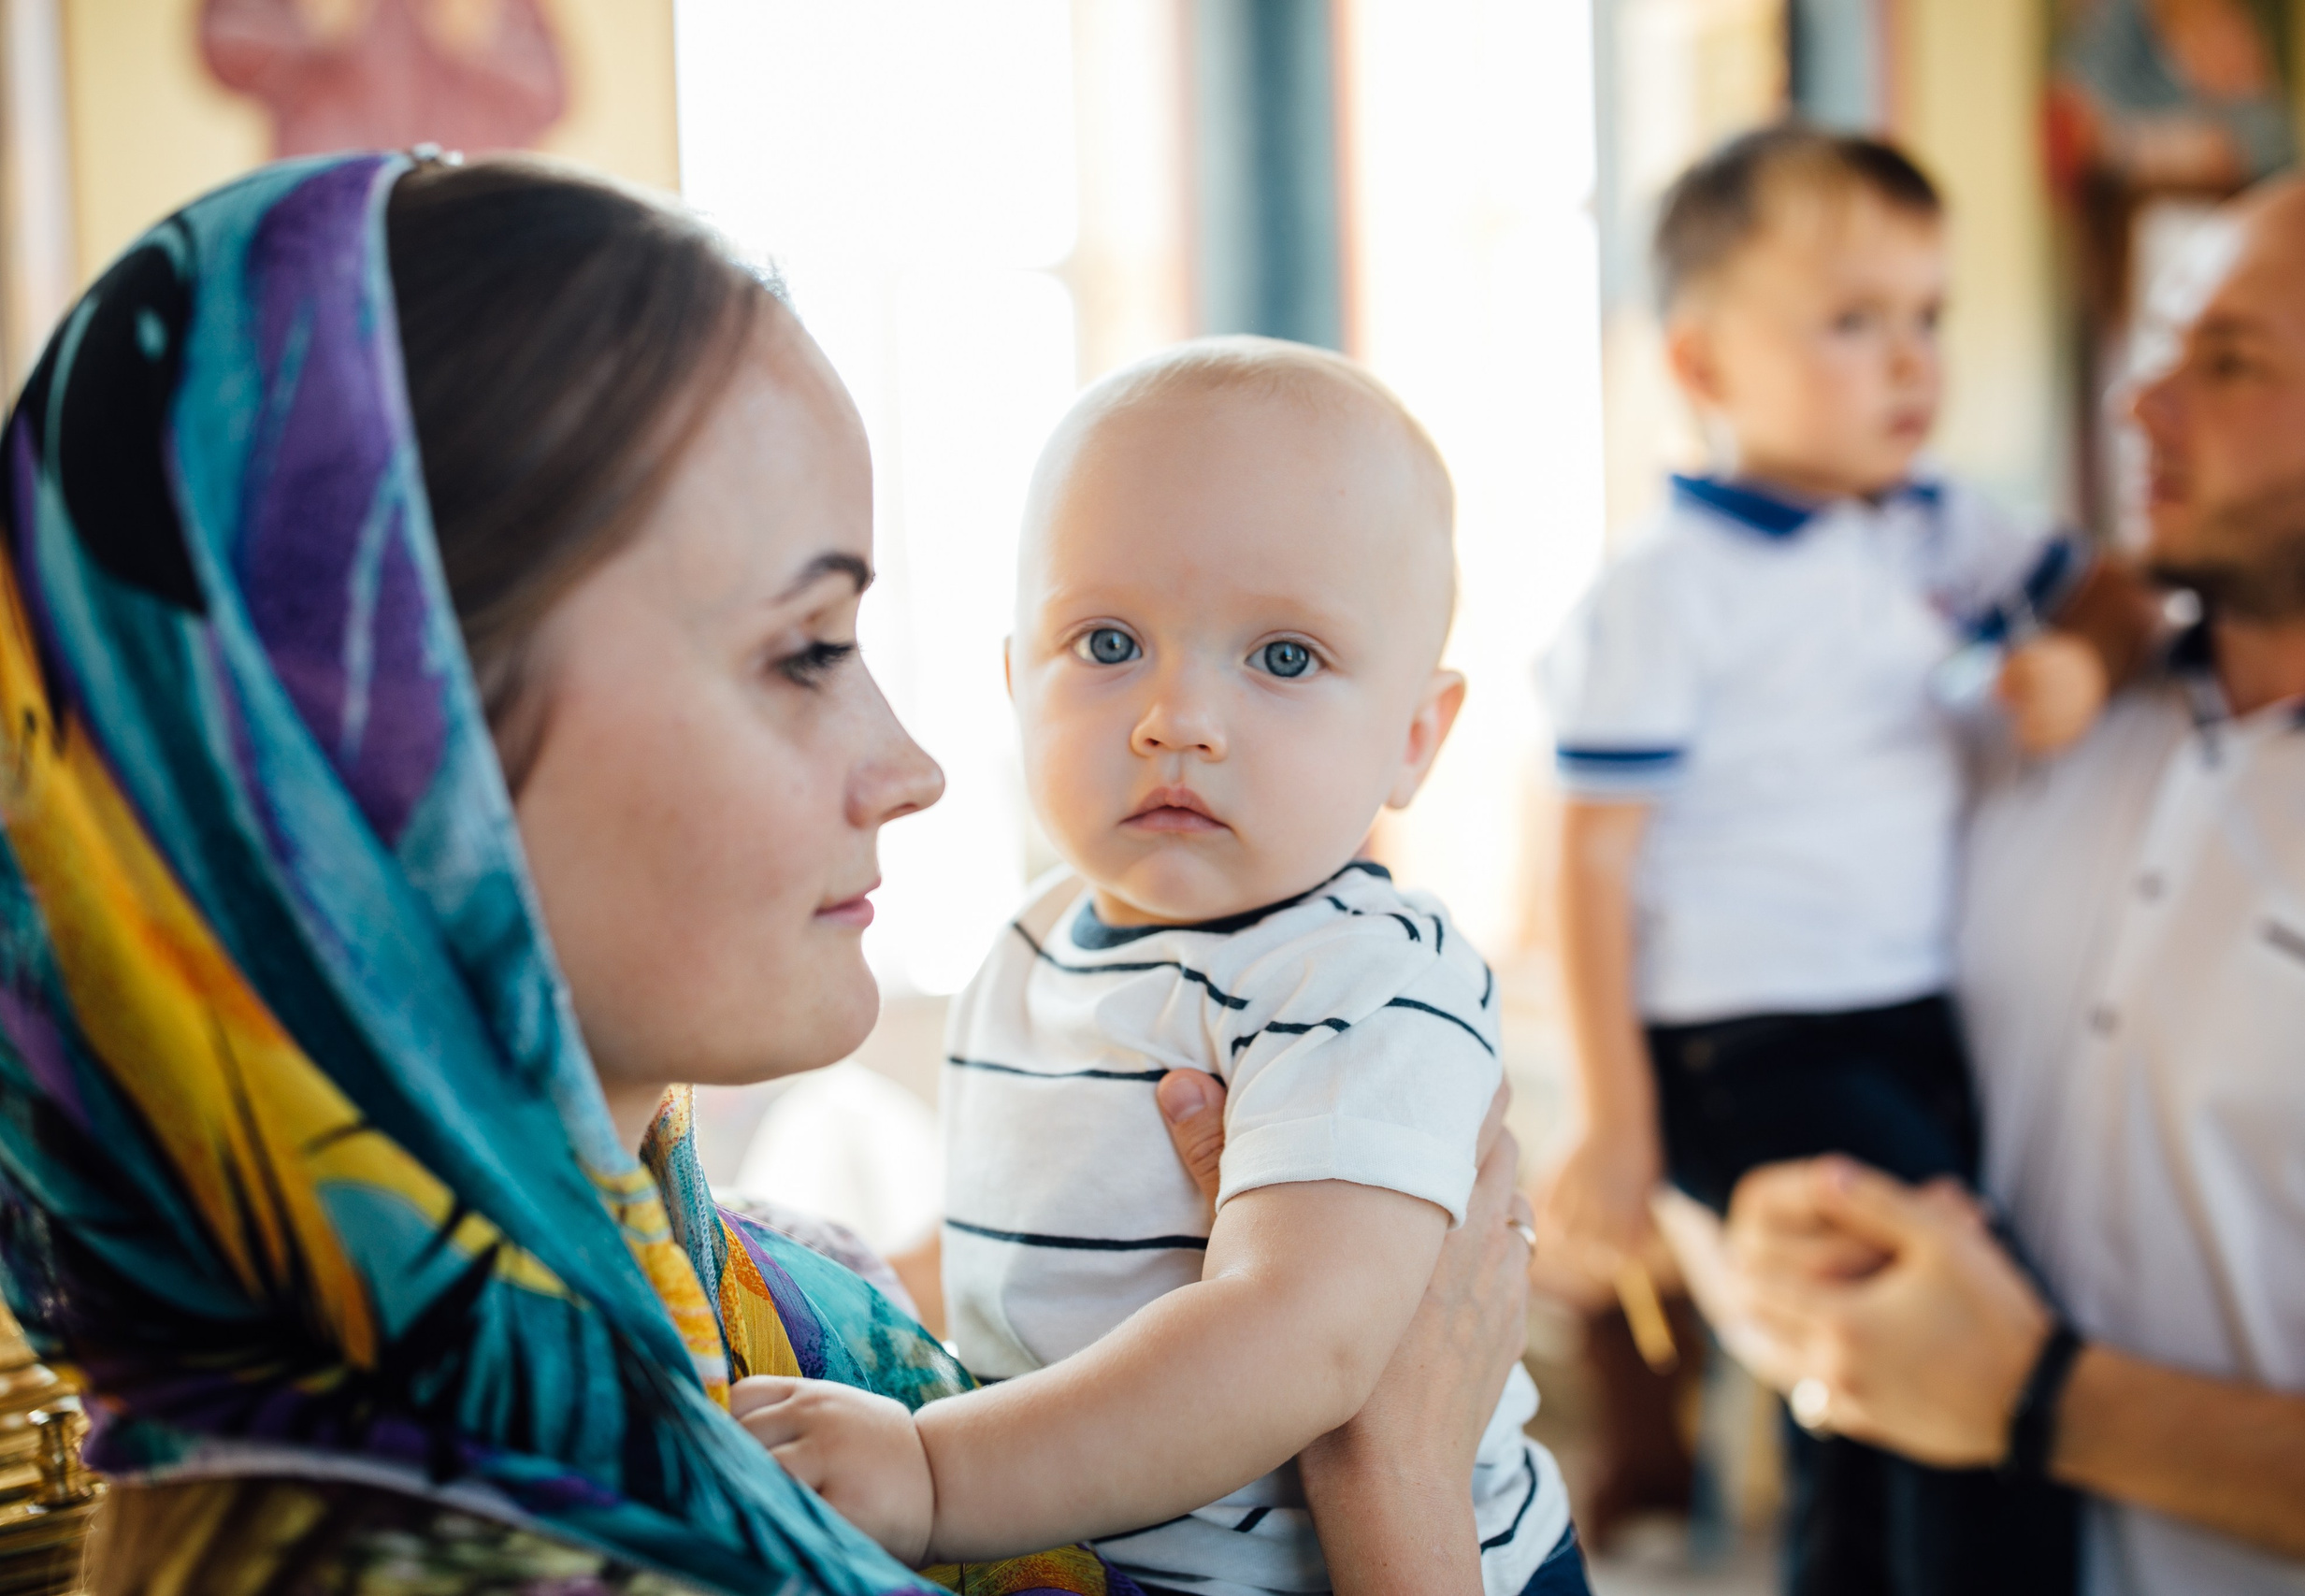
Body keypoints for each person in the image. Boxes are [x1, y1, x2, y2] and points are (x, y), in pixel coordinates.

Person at [0, 151, 1532, 1592]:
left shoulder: (759, 1319)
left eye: (1285, 657)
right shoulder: (501, 1532)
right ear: (393, 756)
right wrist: (1391, 1479)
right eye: (802, 652)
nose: (915, 768)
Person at [729, 338, 1582, 1596]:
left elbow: (1306, 1341)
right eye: (1109, 641)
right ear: (1016, 680)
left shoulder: (1365, 980)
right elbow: (1022, 1268)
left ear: (1415, 737)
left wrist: (932, 1470)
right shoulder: (1029, 952)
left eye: (1284, 657)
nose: (1176, 716)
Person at [1714, 166, 2305, 1596]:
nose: (2141, 407)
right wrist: (1763, 1252)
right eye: (2159, 352)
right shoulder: (2013, 727)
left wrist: (2039, 1403)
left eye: (2231, 362)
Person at [1536, 124, 2146, 1595]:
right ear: (1704, 367)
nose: (1910, 361)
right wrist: (1618, 1126)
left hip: (1906, 1020)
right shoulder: (1667, 591)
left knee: (1853, 1404)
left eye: (1928, 317)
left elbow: (2117, 593)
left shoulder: (1941, 524)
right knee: (1966, 1351)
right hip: (1747, 1045)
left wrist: (2081, 660)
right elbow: (1590, 865)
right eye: (1852, 322)